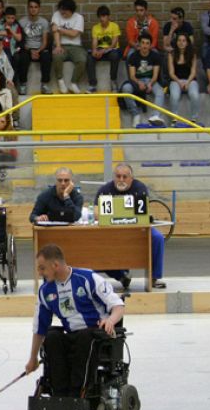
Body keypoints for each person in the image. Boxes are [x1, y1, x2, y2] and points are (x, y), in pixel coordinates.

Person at [25, 244, 125, 397]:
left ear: (55, 265)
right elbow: (40, 329)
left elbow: (118, 305)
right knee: (51, 336)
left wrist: (111, 320)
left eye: (42, 268)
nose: (39, 273)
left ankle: (79, 392)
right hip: (71, 334)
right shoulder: (45, 291)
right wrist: (32, 359)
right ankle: (59, 393)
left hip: (96, 333)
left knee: (86, 337)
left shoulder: (88, 278)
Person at [95, 163, 166, 289]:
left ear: (131, 178)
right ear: (114, 177)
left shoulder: (140, 188)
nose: (121, 180)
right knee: (94, 242)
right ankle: (121, 275)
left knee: (157, 238)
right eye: (118, 176)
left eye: (125, 177)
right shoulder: (105, 190)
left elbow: (143, 213)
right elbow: (96, 213)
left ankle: (154, 277)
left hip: (137, 229)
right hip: (111, 231)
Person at [122, 33, 165, 127]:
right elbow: (132, 76)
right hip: (137, 80)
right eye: (143, 43)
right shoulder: (133, 56)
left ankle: (155, 116)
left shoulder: (155, 56)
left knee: (160, 92)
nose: (145, 46)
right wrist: (138, 82)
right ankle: (136, 115)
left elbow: (155, 75)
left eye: (147, 43)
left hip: (151, 80)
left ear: (150, 45)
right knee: (125, 88)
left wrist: (150, 83)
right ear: (139, 44)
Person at [50, 0, 86, 94]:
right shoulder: (56, 15)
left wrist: (60, 29)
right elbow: (54, 31)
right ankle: (60, 81)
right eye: (61, 11)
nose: (62, 14)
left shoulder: (79, 18)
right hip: (61, 44)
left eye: (65, 12)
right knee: (57, 56)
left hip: (76, 46)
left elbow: (74, 34)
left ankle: (73, 83)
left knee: (82, 60)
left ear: (71, 11)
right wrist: (58, 46)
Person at [18, 0, 52, 95]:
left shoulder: (44, 22)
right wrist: (30, 51)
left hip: (40, 48)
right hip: (26, 48)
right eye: (31, 7)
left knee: (47, 57)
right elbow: (21, 41)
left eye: (35, 7)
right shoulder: (22, 22)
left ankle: (44, 85)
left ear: (39, 8)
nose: (33, 9)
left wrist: (38, 51)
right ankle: (23, 85)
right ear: (28, 8)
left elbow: (45, 41)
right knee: (22, 58)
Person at [86, 5, 122, 94]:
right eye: (100, 16)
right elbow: (94, 41)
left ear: (108, 16)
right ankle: (92, 85)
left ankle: (113, 81)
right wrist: (94, 50)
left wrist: (104, 50)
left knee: (115, 55)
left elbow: (114, 43)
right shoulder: (95, 27)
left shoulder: (114, 26)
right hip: (100, 50)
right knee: (90, 57)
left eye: (104, 16)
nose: (102, 19)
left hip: (112, 50)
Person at [167, 33, 200, 123]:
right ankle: (174, 119)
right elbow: (171, 73)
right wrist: (179, 82)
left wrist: (188, 82)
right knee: (174, 96)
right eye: (179, 40)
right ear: (176, 42)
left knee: (194, 95)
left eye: (183, 40)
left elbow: (193, 72)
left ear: (187, 43)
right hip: (175, 80)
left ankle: (194, 118)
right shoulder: (171, 54)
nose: (181, 43)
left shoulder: (192, 54)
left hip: (190, 80)